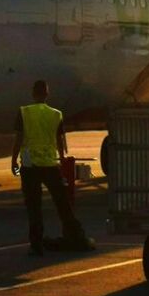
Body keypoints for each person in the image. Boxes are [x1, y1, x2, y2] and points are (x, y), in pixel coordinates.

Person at [10, 80, 93, 256]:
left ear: (33, 93)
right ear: (47, 94)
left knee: (34, 207)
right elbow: (60, 141)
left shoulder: (24, 112)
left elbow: (18, 138)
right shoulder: (56, 114)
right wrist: (62, 159)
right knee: (62, 203)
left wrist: (13, 160)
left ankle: (36, 245)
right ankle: (75, 236)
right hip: (49, 164)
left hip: (29, 165)